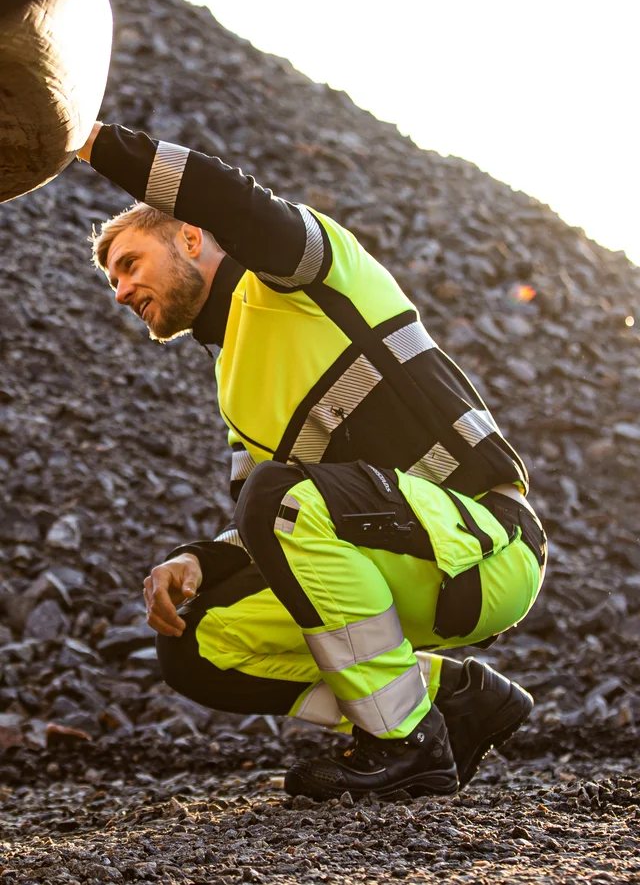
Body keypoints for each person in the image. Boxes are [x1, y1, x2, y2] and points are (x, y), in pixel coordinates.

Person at [77, 120, 547, 801]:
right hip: (394, 563)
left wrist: (83, 136)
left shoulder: (304, 273)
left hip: (488, 544)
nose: (120, 291)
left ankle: (404, 740)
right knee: (199, 639)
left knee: (277, 496)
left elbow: (229, 199)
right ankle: (453, 698)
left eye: (129, 263)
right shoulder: (235, 385)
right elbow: (276, 533)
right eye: (112, 279)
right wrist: (198, 561)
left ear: (191, 238)